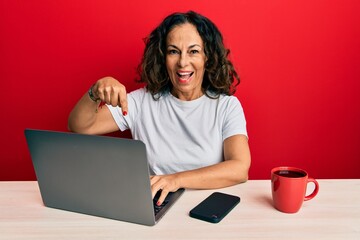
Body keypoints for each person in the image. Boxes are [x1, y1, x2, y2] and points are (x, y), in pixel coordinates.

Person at [68, 11, 251, 206]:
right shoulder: (141, 102)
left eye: (193, 51)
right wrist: (95, 92)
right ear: (163, 57)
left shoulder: (226, 106)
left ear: (208, 57)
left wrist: (175, 180)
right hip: (155, 206)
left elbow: (239, 168)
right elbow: (80, 126)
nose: (182, 62)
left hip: (207, 208)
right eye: (173, 51)